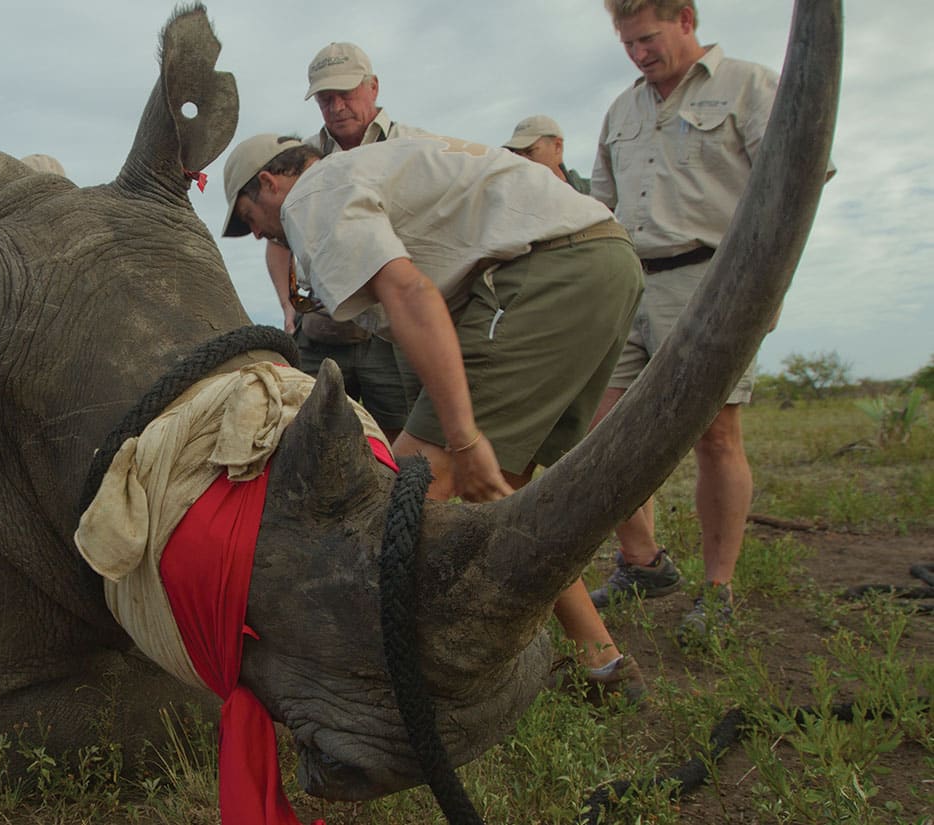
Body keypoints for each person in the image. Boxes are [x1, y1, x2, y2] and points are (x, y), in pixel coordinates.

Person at [222, 132, 647, 700]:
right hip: (601, 262)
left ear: (270, 184)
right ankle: (603, 663)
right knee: (496, 497)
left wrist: (462, 438)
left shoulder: (312, 195)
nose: (255, 234)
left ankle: (370, 686)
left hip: (545, 276)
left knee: (404, 495)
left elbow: (408, 290)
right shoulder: (367, 171)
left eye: (247, 217)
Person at [586, 0, 830, 644]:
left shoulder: (748, 85)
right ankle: (643, 564)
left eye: (648, 37)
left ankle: (718, 588)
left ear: (686, 19)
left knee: (715, 434)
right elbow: (599, 207)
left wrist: (759, 286)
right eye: (628, 42)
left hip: (711, 280)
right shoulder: (621, 109)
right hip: (625, 281)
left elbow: (800, 177)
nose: (639, 53)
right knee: (600, 427)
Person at [264, 42, 419, 441]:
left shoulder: (410, 147)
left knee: (404, 440)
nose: (336, 107)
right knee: (311, 436)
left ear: (373, 88)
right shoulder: (303, 160)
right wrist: (287, 305)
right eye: (325, 99)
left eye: (346, 94)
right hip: (320, 332)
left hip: (388, 333)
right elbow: (278, 238)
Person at [502, 115, 591, 194]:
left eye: (529, 151)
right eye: (517, 154)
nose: (522, 160)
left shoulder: (596, 194)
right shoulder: (512, 200)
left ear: (557, 146)